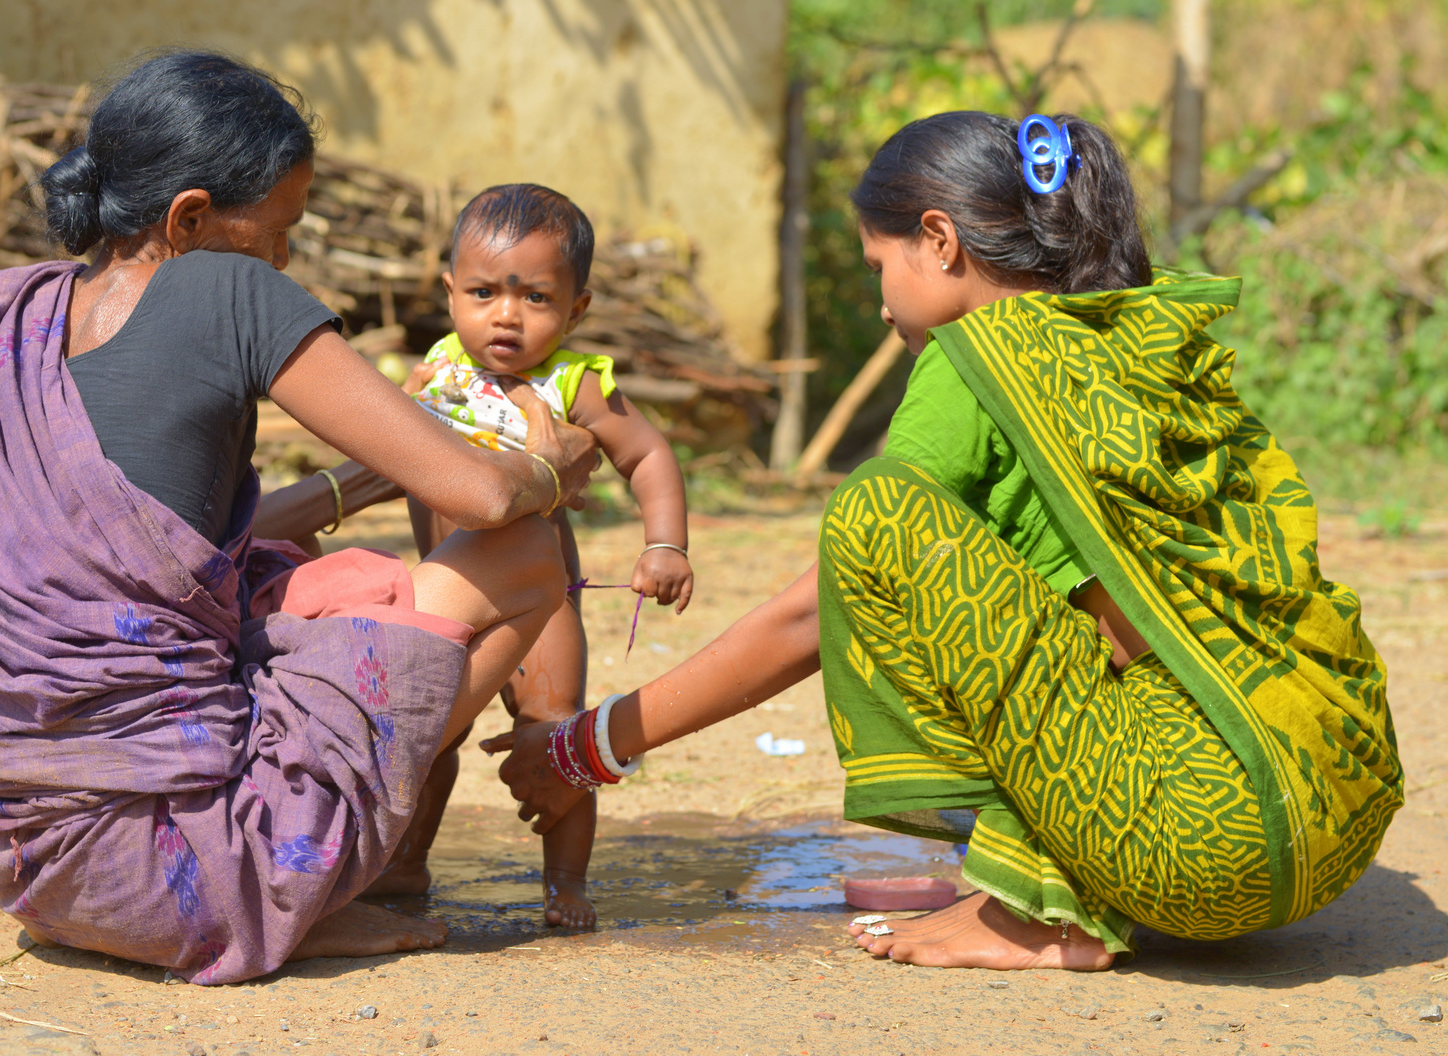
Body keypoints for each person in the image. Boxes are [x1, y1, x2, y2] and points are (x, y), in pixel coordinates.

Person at [496, 110, 1403, 970]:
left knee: (877, 518)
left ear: (939, 241)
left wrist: (589, 746)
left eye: (876, 265)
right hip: (1332, 823)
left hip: (1200, 849)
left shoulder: (979, 358)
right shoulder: (1141, 331)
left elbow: (813, 613)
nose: (882, 303)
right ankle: (1044, 865)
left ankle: (1038, 911)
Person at [0, 51, 597, 986]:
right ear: (192, 218)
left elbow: (155, 551)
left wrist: (348, 488)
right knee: (521, 547)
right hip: (203, 869)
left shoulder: (1, 312)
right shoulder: (227, 286)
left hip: (30, 857)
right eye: (280, 231)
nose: (285, 257)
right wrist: (547, 465)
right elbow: (484, 498)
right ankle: (312, 885)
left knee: (300, 562)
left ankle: (335, 861)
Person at [368, 183, 692, 929]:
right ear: (449, 292)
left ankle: (566, 884)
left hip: (541, 609)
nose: (506, 315)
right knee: (427, 735)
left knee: (555, 728)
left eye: (536, 298)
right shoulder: (438, 371)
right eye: (483, 292)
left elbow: (647, 457)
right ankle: (404, 864)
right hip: (448, 597)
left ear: (576, 309)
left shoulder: (573, 386)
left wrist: (665, 543)